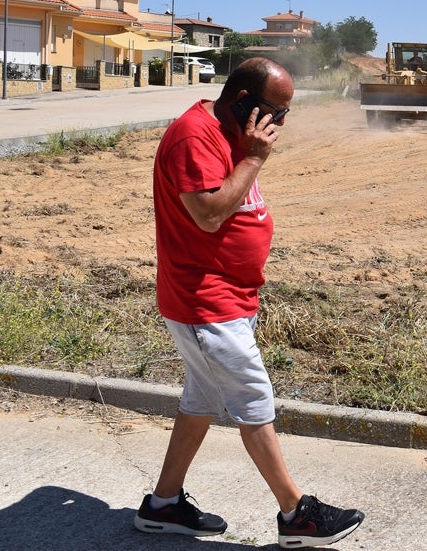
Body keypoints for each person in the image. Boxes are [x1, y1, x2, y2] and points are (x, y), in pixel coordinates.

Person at [134, 57, 364, 547]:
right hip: (204, 298)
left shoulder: (227, 133)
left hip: (227, 296)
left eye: (284, 115)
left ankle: (163, 505)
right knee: (253, 399)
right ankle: (296, 514)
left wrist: (248, 151)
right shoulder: (195, 136)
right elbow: (209, 214)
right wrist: (255, 157)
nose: (278, 124)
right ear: (241, 101)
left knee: (201, 401)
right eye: (273, 111)